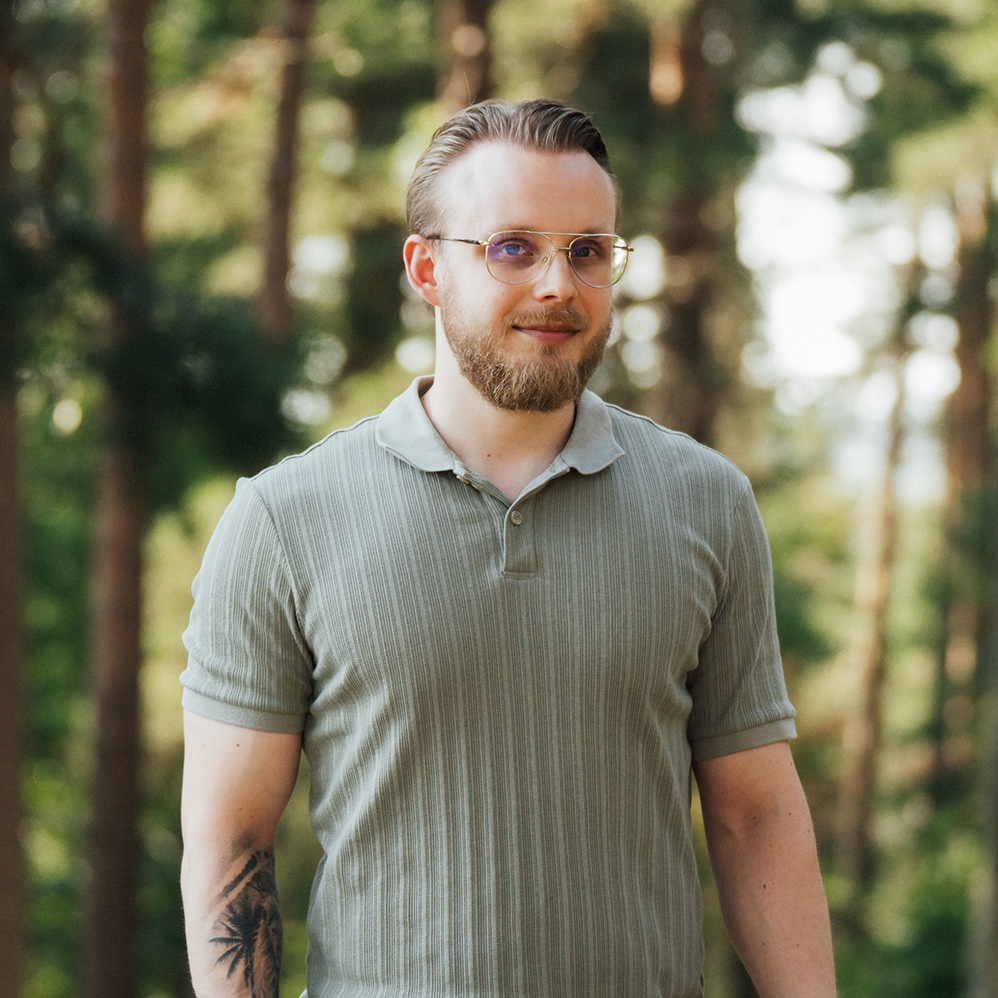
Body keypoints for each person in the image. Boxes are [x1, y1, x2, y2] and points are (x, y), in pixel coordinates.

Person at [180, 98, 836, 998]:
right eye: (513, 247)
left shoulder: (707, 503)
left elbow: (756, 819)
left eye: (588, 250)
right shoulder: (283, 520)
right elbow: (231, 844)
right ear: (427, 269)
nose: (558, 285)